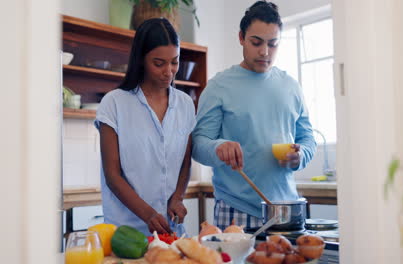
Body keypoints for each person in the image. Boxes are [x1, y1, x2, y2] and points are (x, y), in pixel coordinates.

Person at [192, 0, 317, 231]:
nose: (264, 52)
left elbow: (308, 138)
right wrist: (219, 147)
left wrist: (301, 155)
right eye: (256, 42)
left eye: (273, 44)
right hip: (236, 209)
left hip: (284, 210)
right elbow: (198, 145)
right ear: (241, 37)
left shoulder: (291, 86)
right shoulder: (219, 86)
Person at [95, 18, 195, 236]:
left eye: (175, 62)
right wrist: (148, 214)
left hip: (171, 231)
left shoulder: (185, 105)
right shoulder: (114, 103)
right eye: (159, 63)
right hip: (126, 232)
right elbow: (112, 175)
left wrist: (177, 197)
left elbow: (185, 162)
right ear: (141, 59)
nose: (169, 71)